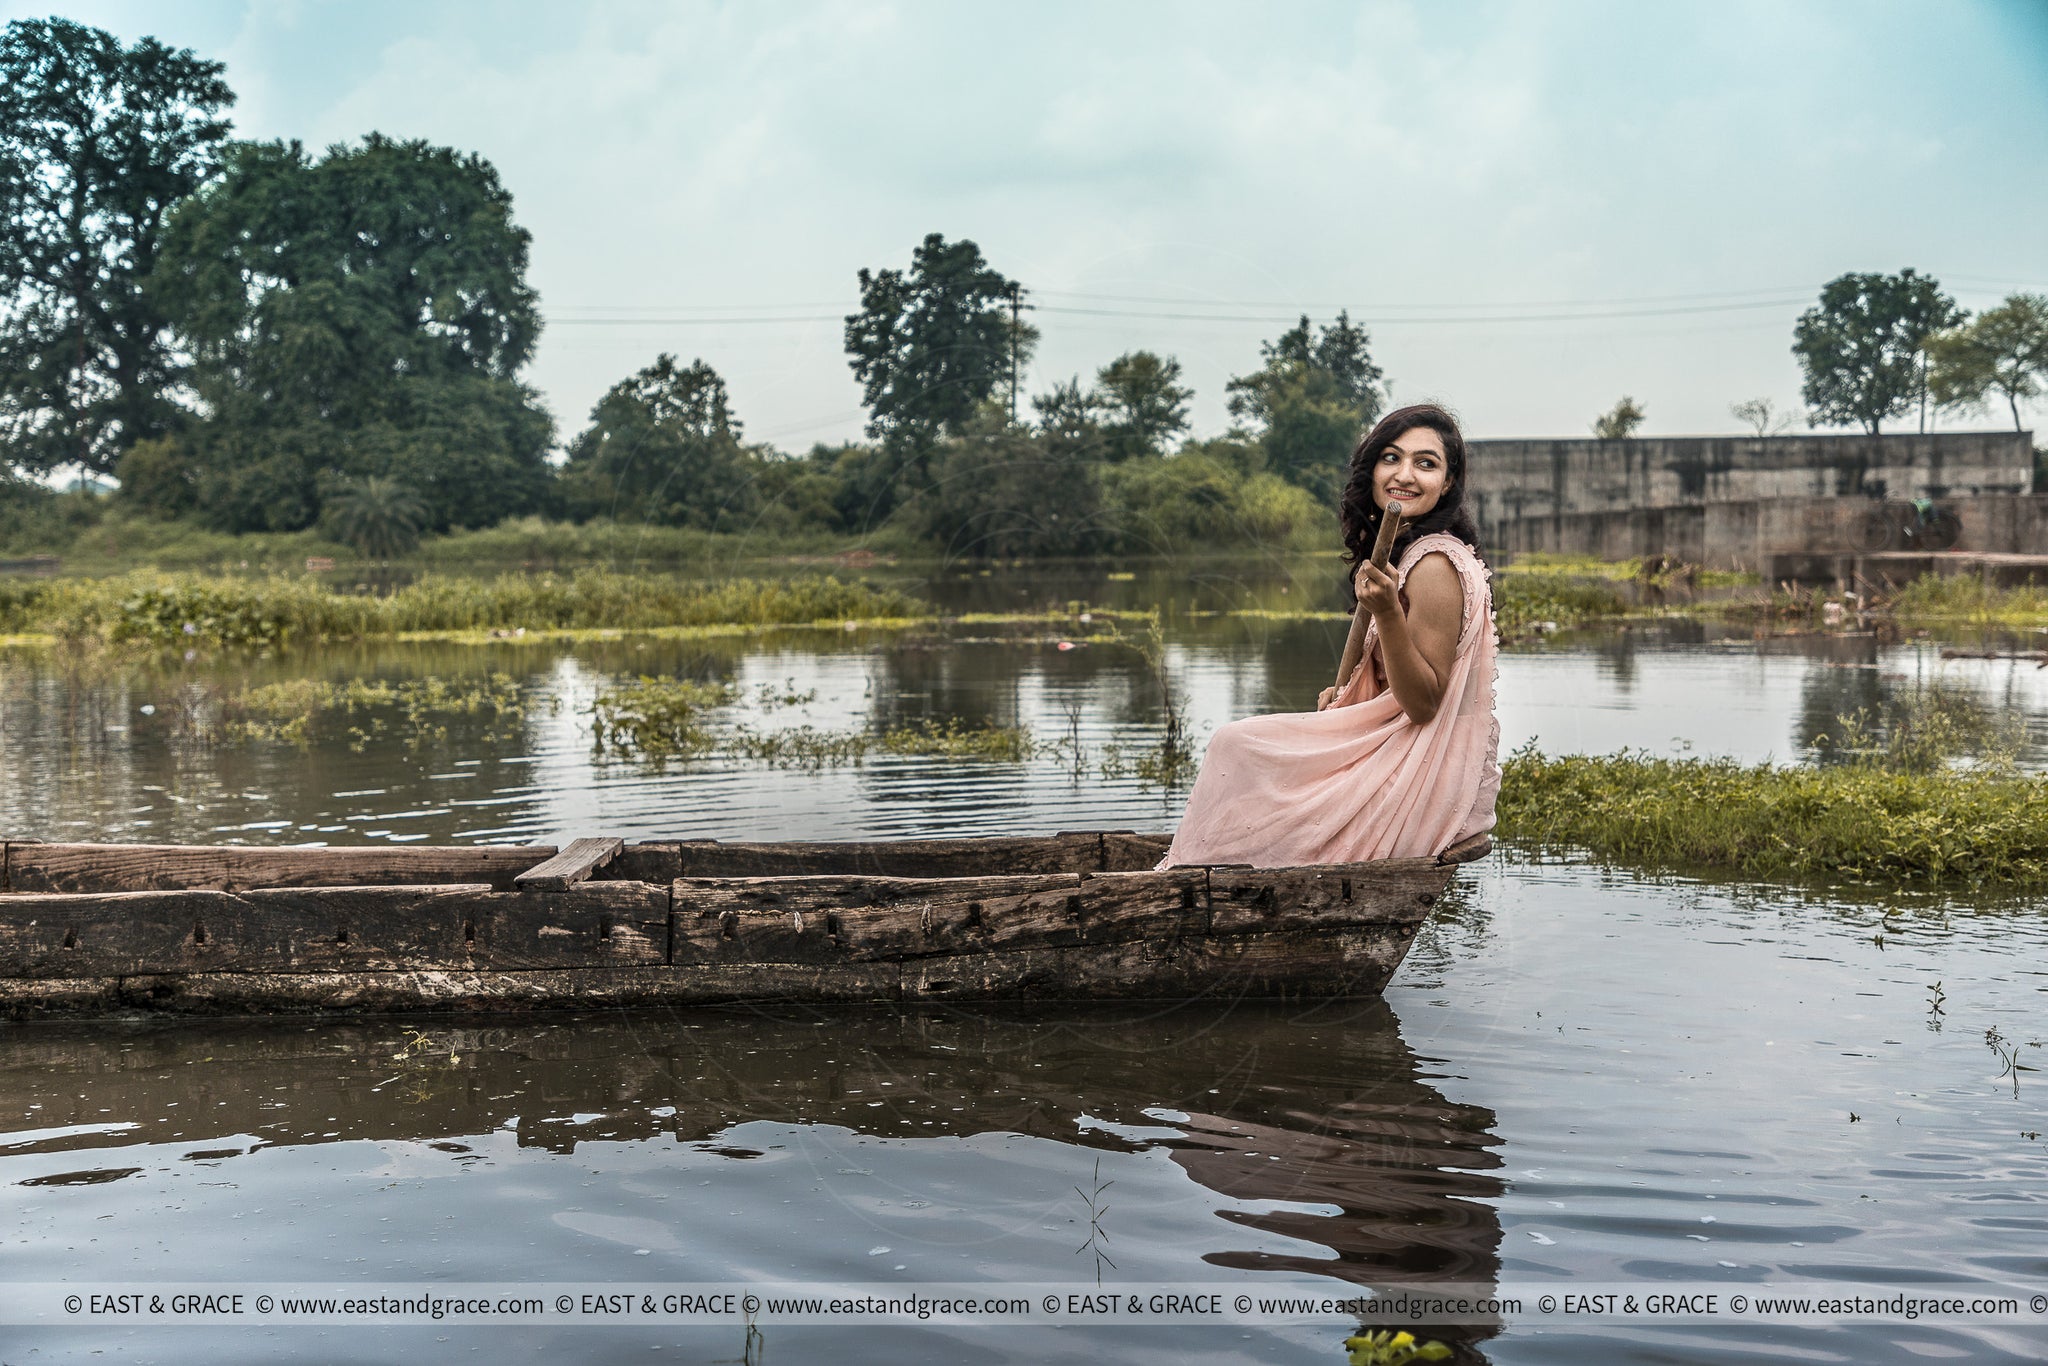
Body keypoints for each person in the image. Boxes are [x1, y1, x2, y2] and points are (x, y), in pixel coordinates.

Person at [1158, 403, 1499, 867]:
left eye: (1426, 463)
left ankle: (1205, 881)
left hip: (1417, 776)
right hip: (1399, 751)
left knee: (1236, 746)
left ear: (1449, 482)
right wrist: (1350, 704)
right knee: (1247, 748)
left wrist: (1388, 615)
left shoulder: (1435, 565)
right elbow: (1395, 689)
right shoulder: (1410, 551)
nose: (1405, 474)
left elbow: (1423, 704)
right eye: (1391, 458)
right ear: (1373, 467)